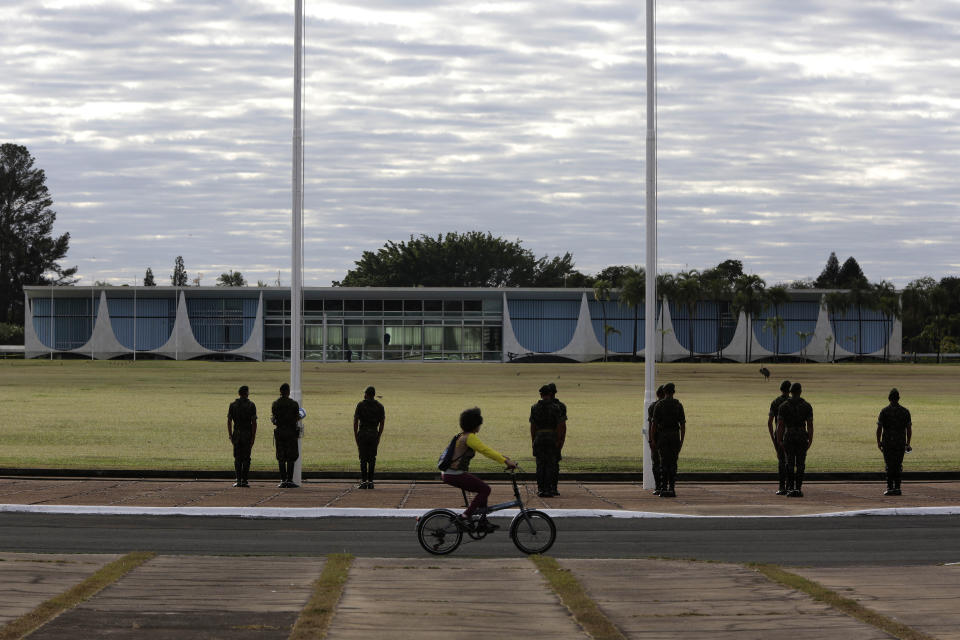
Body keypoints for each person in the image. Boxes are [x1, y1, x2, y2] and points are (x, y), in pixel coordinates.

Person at [441, 407, 517, 532]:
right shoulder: (470, 437)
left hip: (451, 473)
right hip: (454, 474)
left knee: (482, 489)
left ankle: (482, 522)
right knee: (485, 489)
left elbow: (486, 450)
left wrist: (503, 458)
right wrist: (505, 461)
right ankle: (465, 516)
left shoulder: (462, 435)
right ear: (475, 424)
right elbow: (485, 450)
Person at [776, 382, 814, 498]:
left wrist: (779, 440)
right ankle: (798, 488)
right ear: (800, 391)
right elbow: (810, 425)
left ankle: (790, 488)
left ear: (790, 392)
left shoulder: (783, 406)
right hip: (802, 436)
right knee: (801, 464)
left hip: (789, 436)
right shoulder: (807, 406)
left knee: (790, 463)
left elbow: (780, 425)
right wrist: (810, 439)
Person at [651, 382, 685, 498]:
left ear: (664, 392)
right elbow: (682, 425)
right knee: (673, 463)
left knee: (663, 463)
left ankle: (664, 488)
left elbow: (654, 425)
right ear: (673, 392)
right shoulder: (678, 405)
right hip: (675, 436)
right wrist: (681, 440)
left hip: (663, 436)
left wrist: (652, 440)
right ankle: (672, 488)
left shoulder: (658, 405)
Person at [877, 388, 912, 496]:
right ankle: (897, 487)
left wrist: (878, 441)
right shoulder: (905, 412)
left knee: (889, 465)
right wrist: (908, 443)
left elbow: (879, 428)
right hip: (900, 442)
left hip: (887, 442)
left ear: (889, 399)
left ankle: (889, 487)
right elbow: (909, 429)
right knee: (898, 465)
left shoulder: (884, 411)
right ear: (898, 398)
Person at [530, 384, 564, 497]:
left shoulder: (534, 407)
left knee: (540, 465)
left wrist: (533, 440)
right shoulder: (556, 408)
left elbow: (533, 426)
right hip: (552, 437)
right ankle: (549, 489)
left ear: (540, 394)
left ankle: (541, 489)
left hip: (539, 437)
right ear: (550, 394)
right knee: (550, 464)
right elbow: (560, 425)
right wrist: (559, 440)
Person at [353, 385, 385, 489]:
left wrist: (356, 435)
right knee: (372, 459)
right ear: (374, 395)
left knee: (363, 458)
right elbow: (382, 423)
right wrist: (378, 436)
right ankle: (371, 482)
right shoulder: (380, 406)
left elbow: (355, 422)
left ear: (366, 394)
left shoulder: (360, 405)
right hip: (373, 434)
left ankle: (363, 482)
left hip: (362, 434)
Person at [271, 382, 301, 488]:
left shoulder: (275, 404)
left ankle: (283, 479)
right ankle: (289, 479)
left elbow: (274, 419)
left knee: (281, 457)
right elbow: (297, 417)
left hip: (280, 433)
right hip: (291, 433)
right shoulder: (294, 404)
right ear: (288, 391)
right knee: (291, 457)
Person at [226, 385, 257, 487]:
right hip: (247, 434)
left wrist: (230, 435)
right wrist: (253, 437)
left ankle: (238, 479)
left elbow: (229, 421)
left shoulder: (233, 405)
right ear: (247, 393)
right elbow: (254, 423)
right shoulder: (251, 405)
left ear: (239, 393)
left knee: (237, 458)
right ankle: (244, 480)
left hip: (237, 434)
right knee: (246, 458)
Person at [767, 380, 792, 496]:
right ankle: (791, 486)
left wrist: (774, 439)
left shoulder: (775, 402)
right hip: (792, 434)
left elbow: (770, 422)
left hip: (780, 434)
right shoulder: (794, 403)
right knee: (792, 461)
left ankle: (782, 487)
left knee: (781, 461)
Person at [646, 385, 665, 495]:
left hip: (656, 438)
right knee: (667, 463)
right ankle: (666, 487)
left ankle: (658, 486)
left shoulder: (653, 407)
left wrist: (651, 440)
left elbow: (651, 425)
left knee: (656, 463)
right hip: (668, 438)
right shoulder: (675, 405)